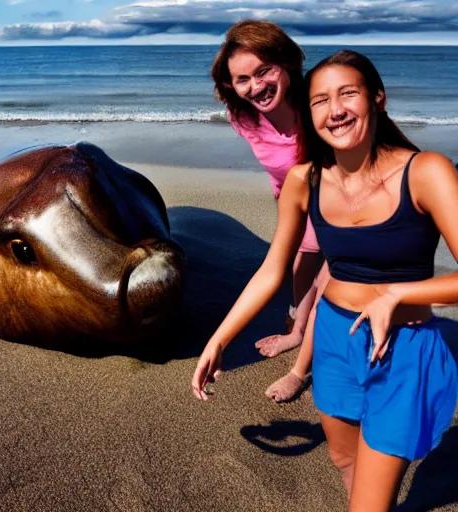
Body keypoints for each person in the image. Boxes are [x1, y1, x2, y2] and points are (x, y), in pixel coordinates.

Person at [192, 49, 458, 511]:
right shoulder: (304, 181)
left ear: (377, 98)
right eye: (319, 100)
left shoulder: (426, 171)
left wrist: (397, 295)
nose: (334, 110)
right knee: (343, 457)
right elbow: (273, 271)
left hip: (402, 349)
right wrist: (220, 338)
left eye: (347, 94)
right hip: (333, 338)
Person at [211, 19, 324, 400]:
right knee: (300, 266)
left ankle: (300, 371)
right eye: (243, 79)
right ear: (231, 85)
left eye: (264, 71)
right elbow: (279, 169)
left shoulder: (316, 105)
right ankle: (297, 329)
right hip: (292, 203)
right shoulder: (242, 118)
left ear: (286, 63)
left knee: (329, 285)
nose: (256, 86)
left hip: (337, 205)